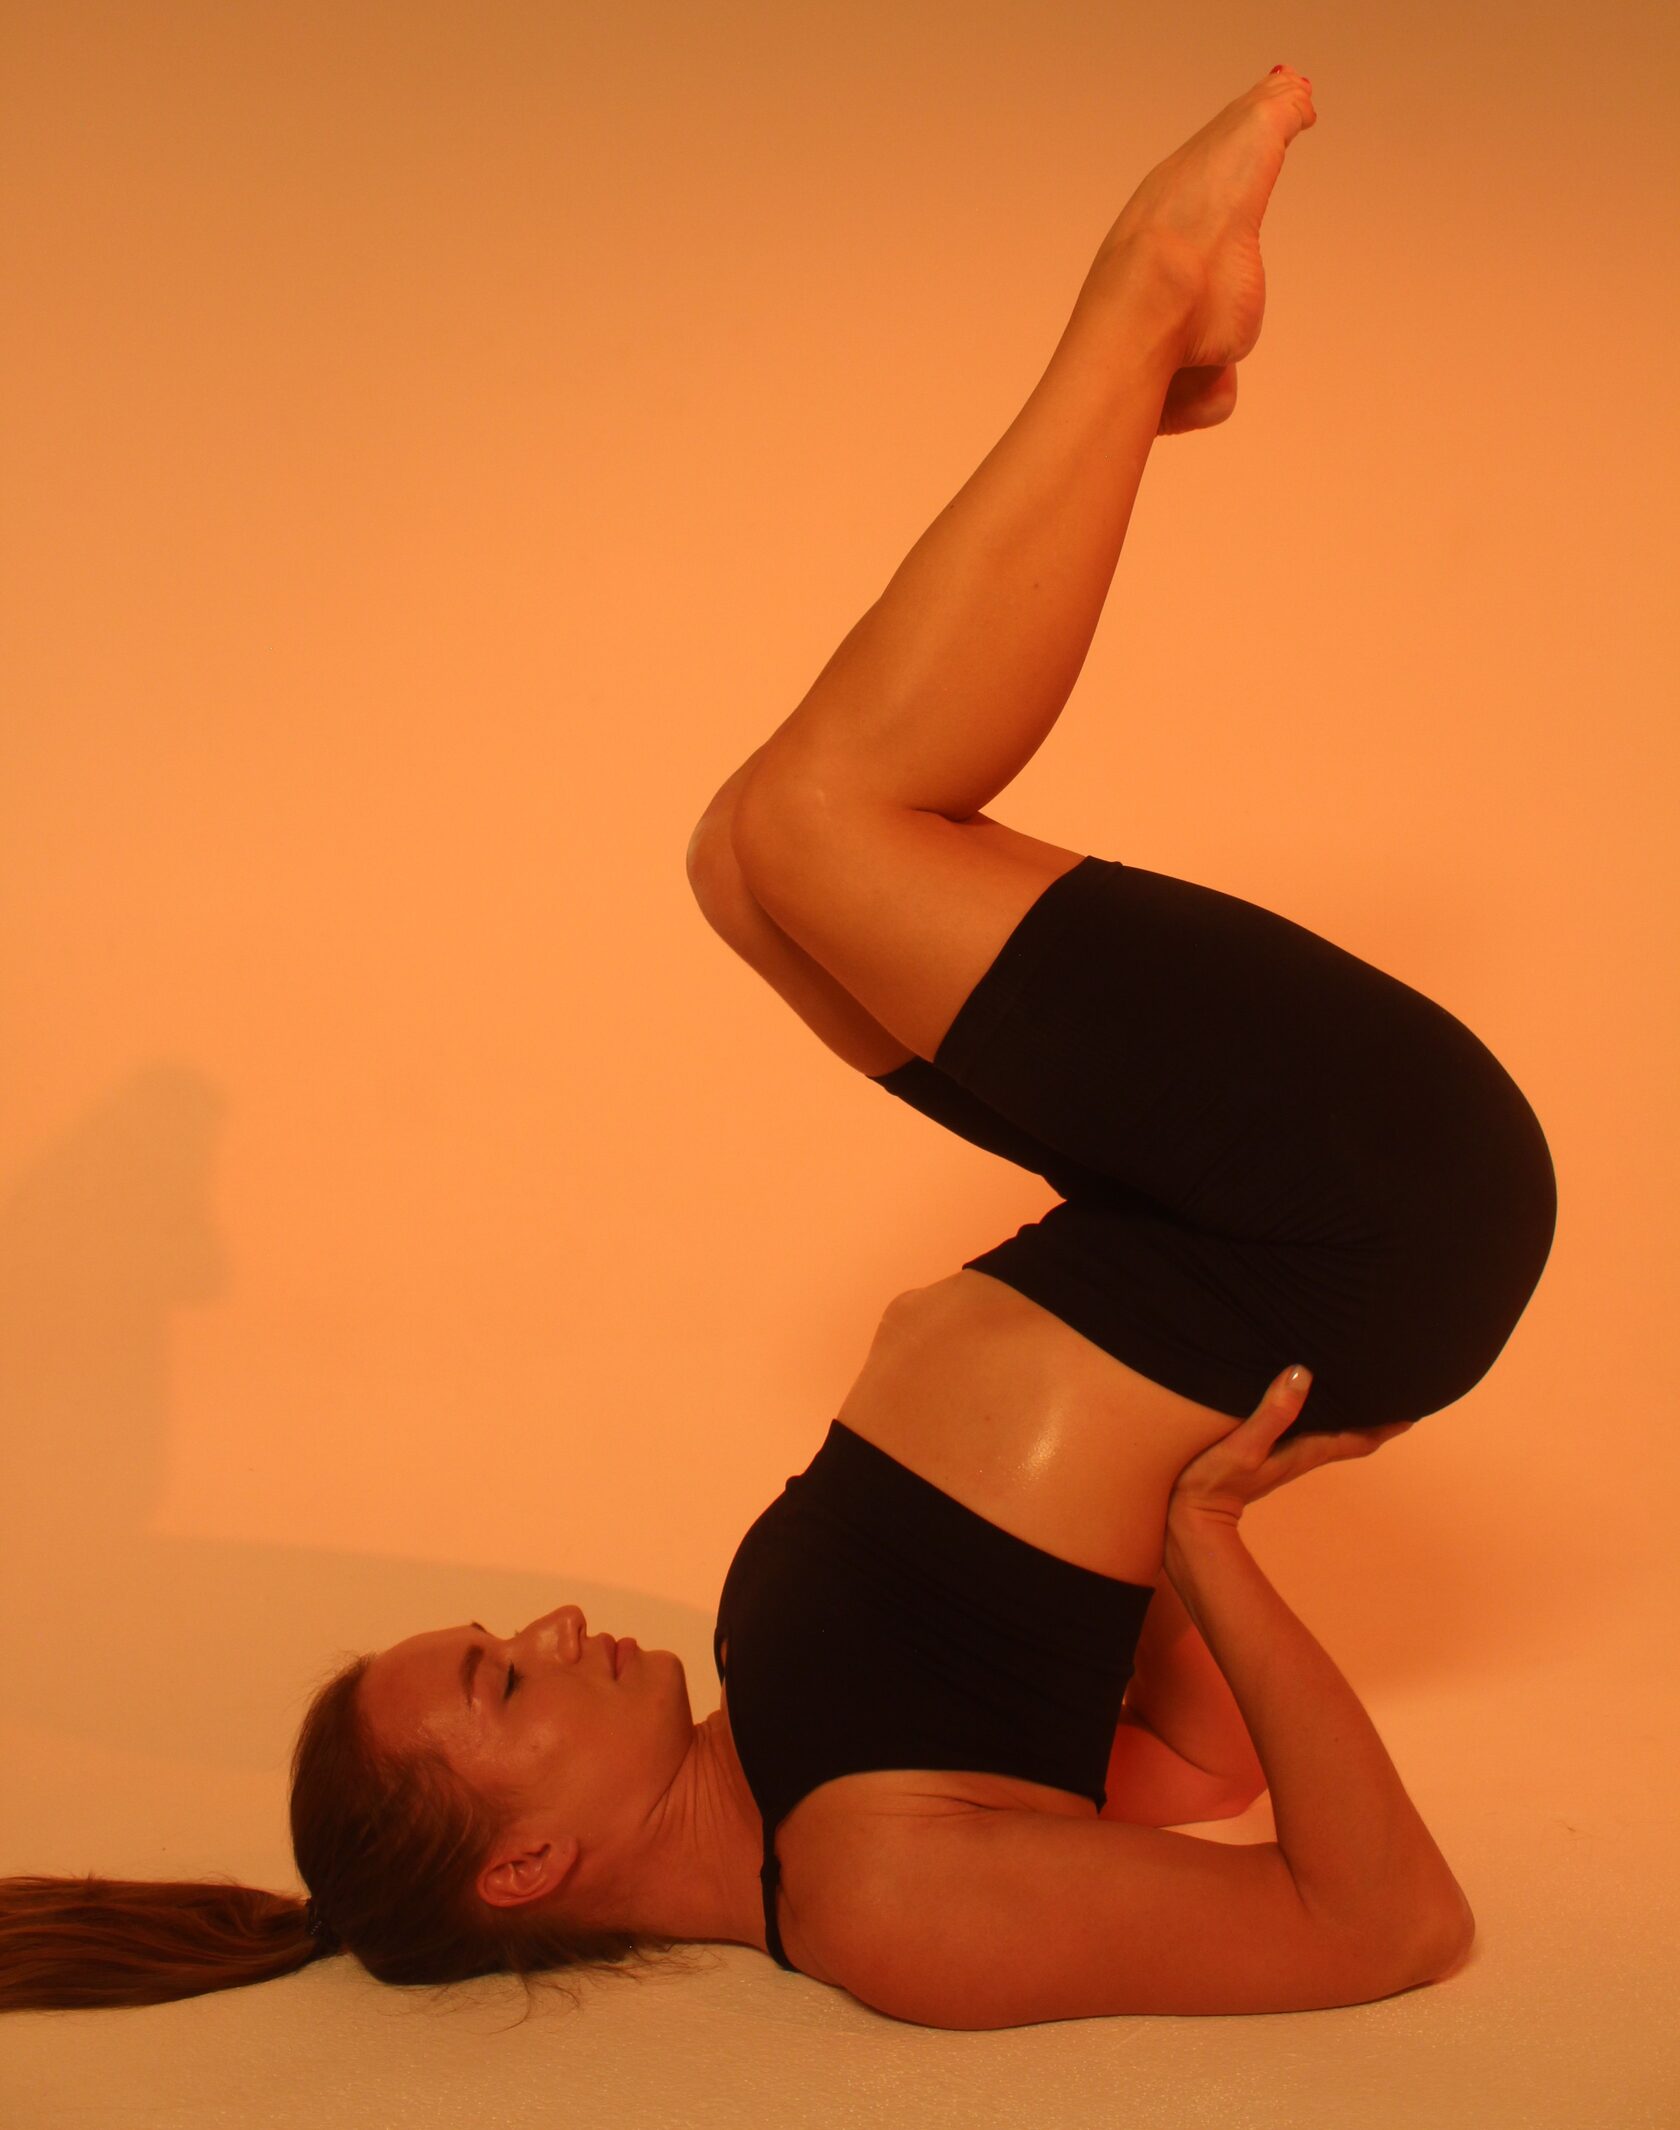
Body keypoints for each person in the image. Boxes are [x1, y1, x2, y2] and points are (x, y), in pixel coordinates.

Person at [0, 64, 1556, 2025]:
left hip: (1203, 1218)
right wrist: (1211, 1541)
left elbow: (1183, 1769)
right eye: (502, 1680)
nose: (553, 1622)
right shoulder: (878, 1899)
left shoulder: (780, 1747)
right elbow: (1386, 1929)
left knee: (746, 864)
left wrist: (1163, 1531)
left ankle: (1129, 391)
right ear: (525, 1866)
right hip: (1352, 1218)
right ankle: (1148, 304)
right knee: (827, 832)